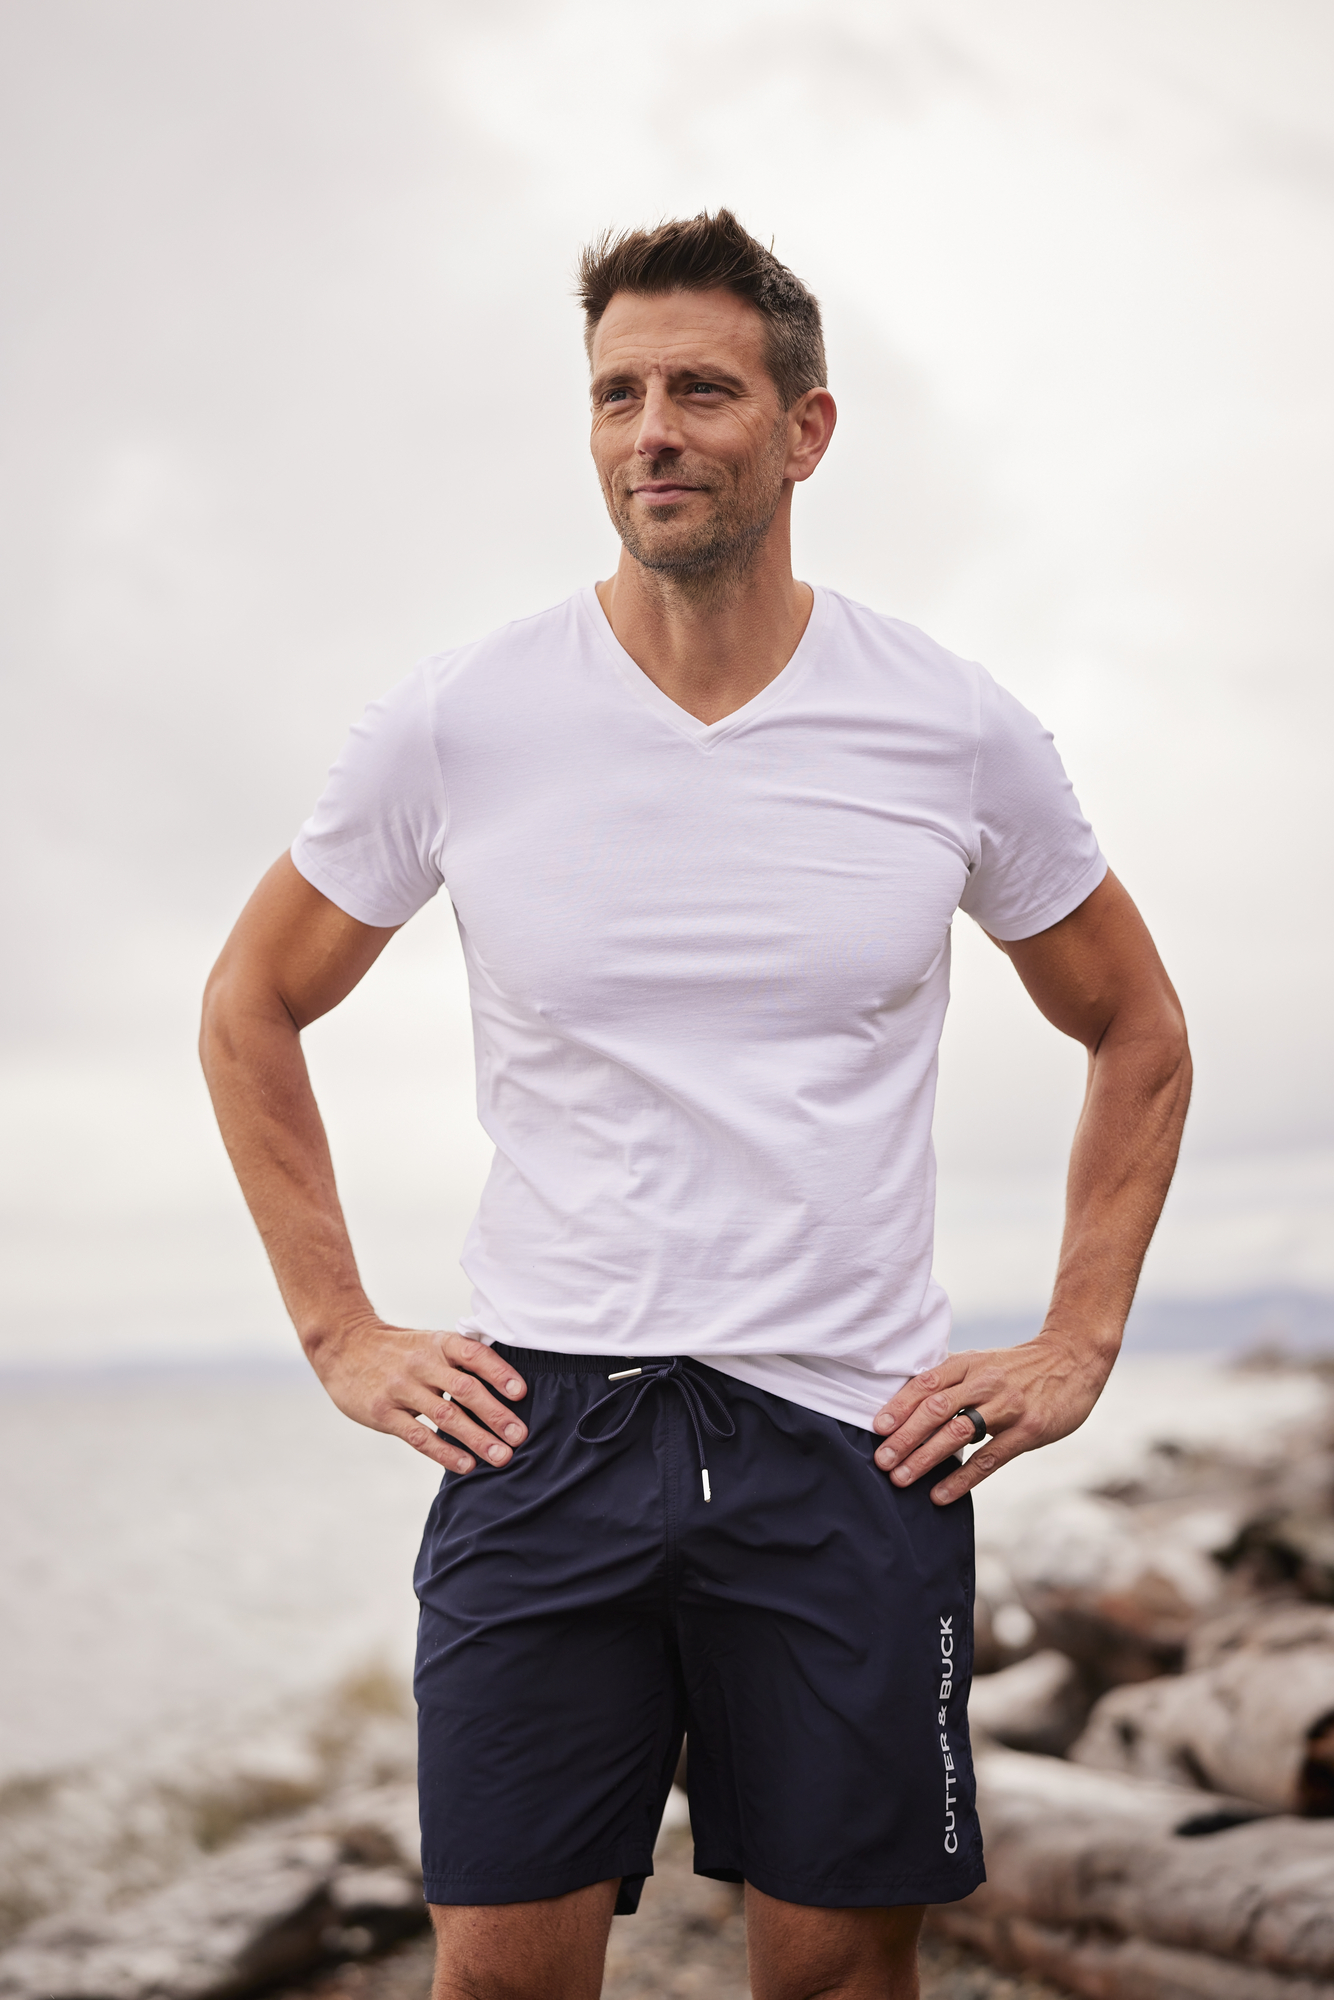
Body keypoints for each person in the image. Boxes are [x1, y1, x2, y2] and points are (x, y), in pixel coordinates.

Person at [200, 210, 1191, 2000]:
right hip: (539, 1433)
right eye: (616, 394)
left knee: (833, 1980)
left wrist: (1077, 1340)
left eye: (699, 391)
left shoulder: (948, 726)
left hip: (849, 1440)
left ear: (804, 430)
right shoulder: (462, 718)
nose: (649, 431)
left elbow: (1135, 1025)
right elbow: (250, 1002)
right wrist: (341, 1329)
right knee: (501, 1983)